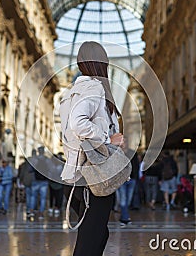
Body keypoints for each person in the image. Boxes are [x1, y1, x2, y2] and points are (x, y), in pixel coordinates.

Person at [60, 41, 124, 256]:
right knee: (90, 241)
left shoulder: (69, 94)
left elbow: (68, 131)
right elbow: (78, 124)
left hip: (74, 176)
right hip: (93, 177)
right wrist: (108, 138)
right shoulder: (95, 87)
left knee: (98, 234)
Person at [118, 140, 139, 226]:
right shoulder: (117, 153)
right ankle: (125, 219)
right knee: (123, 200)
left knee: (128, 200)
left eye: (124, 142)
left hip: (132, 179)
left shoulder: (132, 153)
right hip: (121, 180)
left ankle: (123, 216)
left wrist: (135, 177)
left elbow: (136, 166)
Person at [30, 147, 49, 219]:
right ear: (43, 152)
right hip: (44, 181)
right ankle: (41, 213)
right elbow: (50, 169)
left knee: (33, 196)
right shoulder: (47, 159)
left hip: (35, 180)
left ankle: (31, 211)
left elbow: (30, 169)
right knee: (43, 198)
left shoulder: (34, 159)